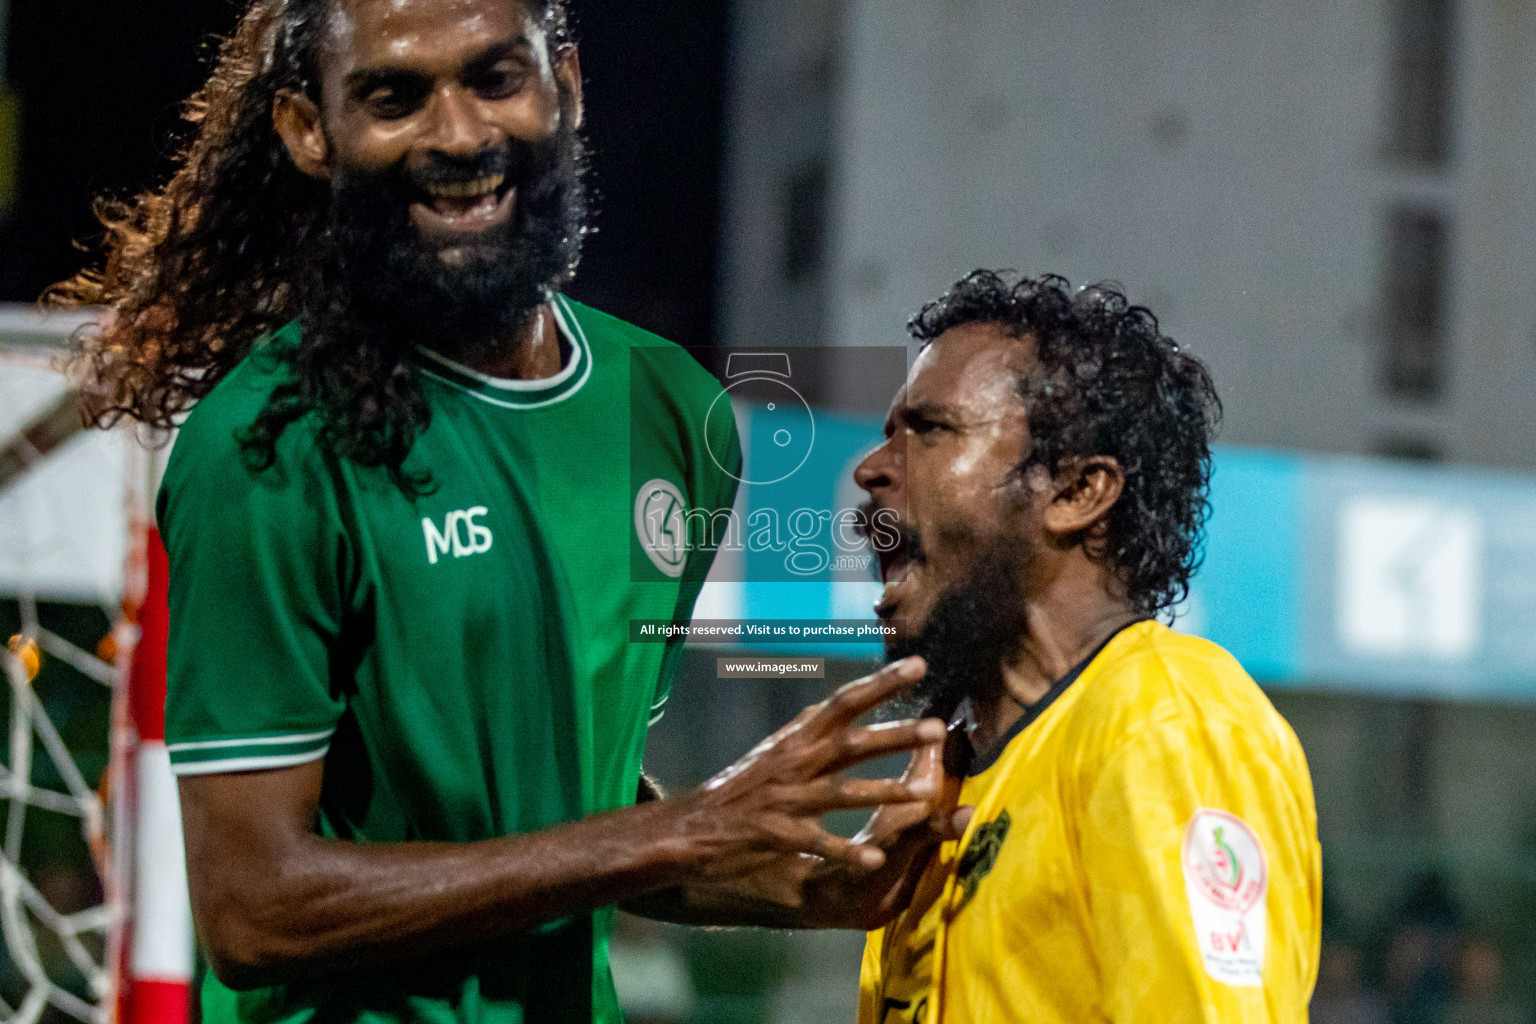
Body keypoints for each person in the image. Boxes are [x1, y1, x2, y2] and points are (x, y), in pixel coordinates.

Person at [48, 2, 950, 1023]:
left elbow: (576, 823)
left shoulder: (667, 408)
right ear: (309, 131)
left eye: (494, 78)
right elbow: (256, 908)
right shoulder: (268, 445)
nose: (461, 135)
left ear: (563, 83)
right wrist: (686, 829)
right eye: (395, 97)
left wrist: (806, 882)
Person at [850, 270, 1323, 1022]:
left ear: (1076, 492)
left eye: (929, 430)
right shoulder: (941, 804)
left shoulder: (1164, 723)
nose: (871, 469)